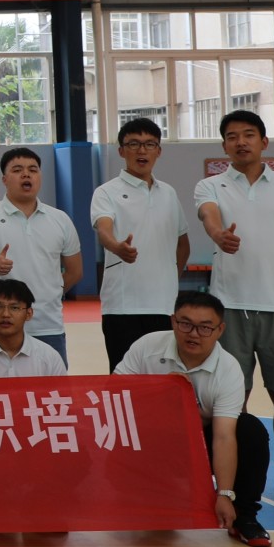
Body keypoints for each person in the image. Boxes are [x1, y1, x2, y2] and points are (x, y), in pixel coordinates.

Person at [192, 110, 274, 509]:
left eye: (249, 135)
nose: (240, 142)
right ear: (224, 145)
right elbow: (209, 216)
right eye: (232, 136)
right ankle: (238, 475)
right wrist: (218, 235)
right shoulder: (210, 185)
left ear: (264, 142)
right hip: (228, 309)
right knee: (233, 397)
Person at [115, 291, 274, 547]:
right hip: (151, 440)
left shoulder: (228, 369)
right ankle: (146, 495)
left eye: (205, 327)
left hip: (198, 444)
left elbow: (223, 437)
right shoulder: (147, 347)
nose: (193, 334)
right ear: (173, 321)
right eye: (185, 324)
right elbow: (114, 397)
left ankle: (244, 516)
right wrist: (161, 391)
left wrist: (224, 494)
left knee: (250, 430)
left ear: (220, 330)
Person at [0, 147, 83, 366]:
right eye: (17, 170)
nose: (26, 174)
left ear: (40, 176)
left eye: (33, 170)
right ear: (4, 179)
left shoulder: (60, 219)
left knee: (50, 386)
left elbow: (75, 271)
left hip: (48, 325)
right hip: (0, 325)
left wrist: (51, 292)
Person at [90, 117, 190, 369]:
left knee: (164, 375)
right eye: (133, 144)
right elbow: (104, 230)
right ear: (121, 151)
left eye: (149, 144)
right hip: (122, 306)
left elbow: (182, 244)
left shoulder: (168, 193)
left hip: (165, 305)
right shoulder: (106, 192)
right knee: (125, 376)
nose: (142, 150)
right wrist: (117, 247)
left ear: (159, 151)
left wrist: (170, 278)